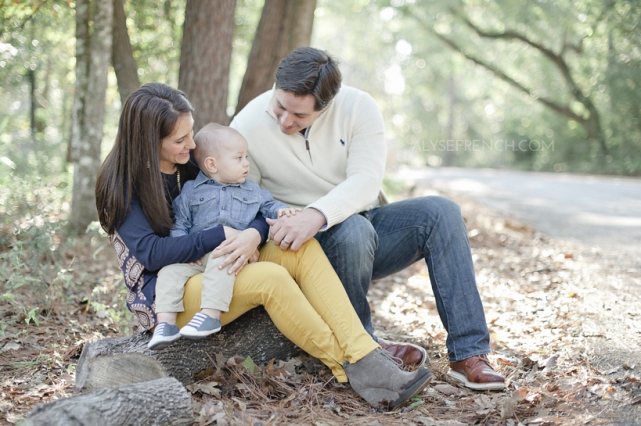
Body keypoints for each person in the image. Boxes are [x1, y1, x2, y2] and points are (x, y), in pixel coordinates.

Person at [94, 82, 434, 410]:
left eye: (191, 132)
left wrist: (254, 234)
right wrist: (222, 235)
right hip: (169, 294)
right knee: (271, 278)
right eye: (179, 139)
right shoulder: (123, 186)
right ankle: (350, 367)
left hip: (216, 263)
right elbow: (152, 255)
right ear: (147, 141)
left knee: (297, 248)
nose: (191, 144)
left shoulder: (192, 160)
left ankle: (366, 353)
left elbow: (249, 199)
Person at [230, 47, 506, 390]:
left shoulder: (359, 108)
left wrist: (317, 214)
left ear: (326, 106)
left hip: (361, 229)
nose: (285, 120)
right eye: (280, 106)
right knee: (353, 230)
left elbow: (366, 180)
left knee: (442, 213)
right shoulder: (247, 124)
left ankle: (468, 355)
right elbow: (239, 199)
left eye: (298, 115)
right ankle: (365, 351)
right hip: (299, 250)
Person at [149, 123, 299, 349]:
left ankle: (210, 315)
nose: (246, 163)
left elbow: (268, 205)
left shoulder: (251, 189)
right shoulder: (191, 191)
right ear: (212, 164)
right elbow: (180, 222)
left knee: (222, 258)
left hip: (230, 250)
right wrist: (182, 249)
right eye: (238, 158)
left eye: (246, 156)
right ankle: (166, 324)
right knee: (169, 272)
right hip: (197, 255)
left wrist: (282, 211)